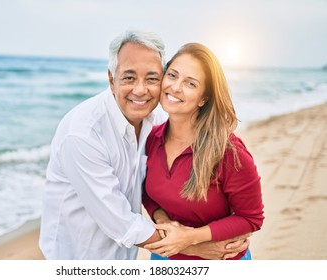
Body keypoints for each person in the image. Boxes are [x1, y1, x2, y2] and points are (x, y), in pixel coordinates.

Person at [39, 30, 251, 260]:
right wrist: (195, 247)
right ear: (112, 79)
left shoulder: (158, 123)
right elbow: (119, 221)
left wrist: (186, 229)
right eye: (129, 78)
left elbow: (150, 189)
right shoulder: (83, 134)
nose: (140, 90)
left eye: (152, 79)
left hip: (126, 256)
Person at [143, 42, 264, 260]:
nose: (176, 87)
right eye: (172, 75)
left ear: (204, 98)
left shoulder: (229, 152)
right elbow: (145, 190)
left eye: (190, 83)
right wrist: (163, 221)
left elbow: (251, 218)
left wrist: (191, 238)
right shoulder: (151, 139)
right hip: (165, 257)